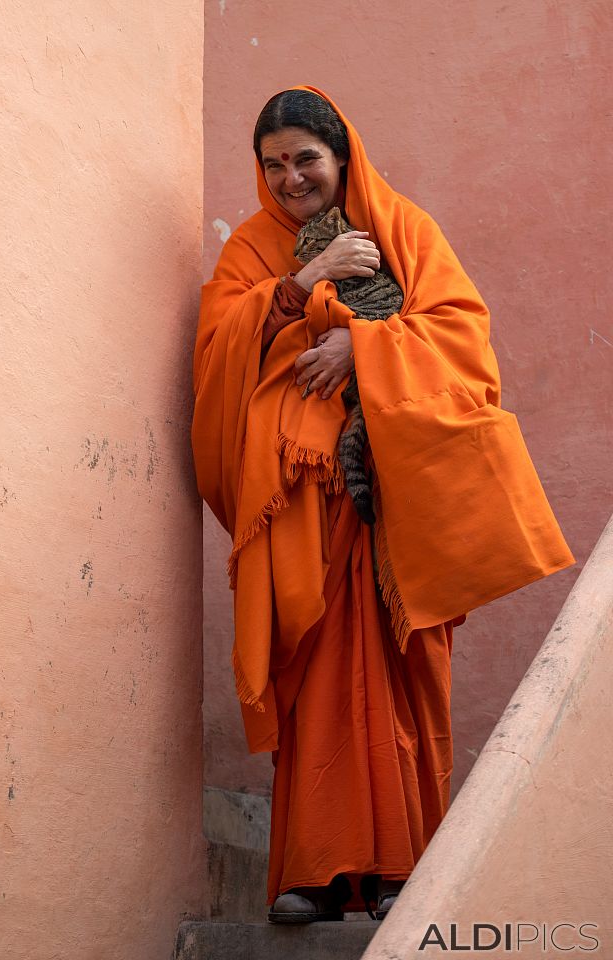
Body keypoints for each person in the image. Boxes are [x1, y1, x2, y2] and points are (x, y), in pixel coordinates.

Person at [192, 86, 573, 923]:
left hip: (391, 506)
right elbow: (218, 361)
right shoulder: (251, 251)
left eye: (306, 159)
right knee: (315, 679)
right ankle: (312, 874)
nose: (292, 178)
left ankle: (408, 870)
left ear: (341, 157)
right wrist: (306, 281)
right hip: (302, 511)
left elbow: (465, 347)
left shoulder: (404, 229)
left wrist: (361, 345)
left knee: (399, 676)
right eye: (274, 164)